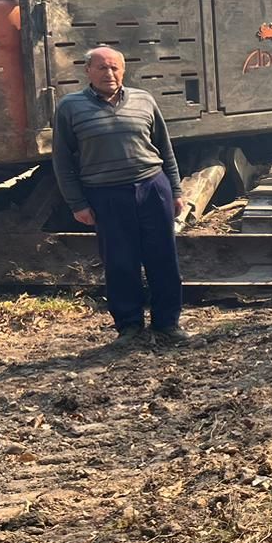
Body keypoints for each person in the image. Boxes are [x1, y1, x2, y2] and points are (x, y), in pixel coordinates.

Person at [51, 46, 188, 344]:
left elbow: (165, 149)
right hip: (106, 194)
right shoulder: (69, 107)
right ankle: (129, 327)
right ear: (87, 71)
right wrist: (77, 203)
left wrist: (176, 190)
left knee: (163, 258)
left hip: (153, 187)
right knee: (120, 262)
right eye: (101, 68)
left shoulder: (144, 100)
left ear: (123, 70)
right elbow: (62, 161)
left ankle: (167, 324)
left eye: (114, 67)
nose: (109, 74)